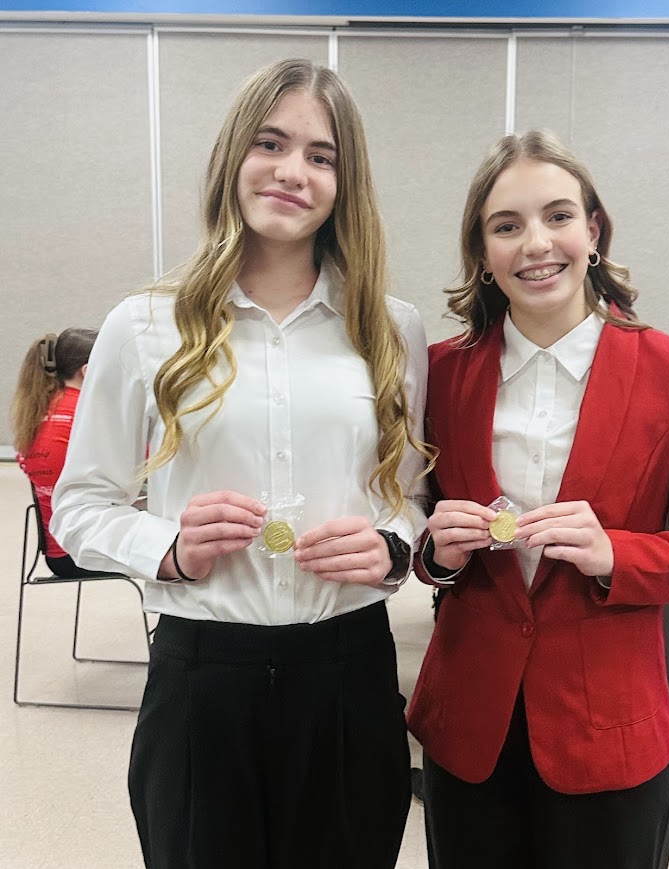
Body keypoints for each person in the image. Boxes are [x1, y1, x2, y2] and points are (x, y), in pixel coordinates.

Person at [52, 59, 432, 869]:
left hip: (347, 670)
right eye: (271, 142)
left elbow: (404, 496)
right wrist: (169, 547)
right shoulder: (144, 323)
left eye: (320, 155)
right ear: (234, 157)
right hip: (201, 676)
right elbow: (79, 507)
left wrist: (392, 545)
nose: (293, 171)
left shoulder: (391, 329)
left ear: (344, 180)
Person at [407, 130, 669, 869]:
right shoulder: (439, 374)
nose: (535, 243)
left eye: (557, 216)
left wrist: (615, 554)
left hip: (609, 732)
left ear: (592, 231)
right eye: (506, 226)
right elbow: (412, 527)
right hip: (469, 725)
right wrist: (434, 553)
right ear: (481, 252)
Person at [12, 328, 100, 578]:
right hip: (84, 552)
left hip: (57, 553)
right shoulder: (85, 414)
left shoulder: (37, 411)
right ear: (88, 371)